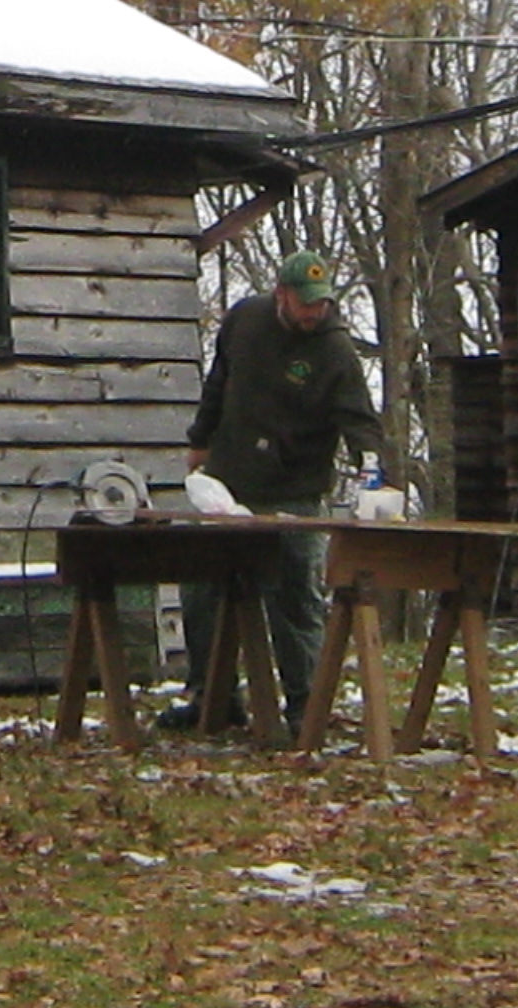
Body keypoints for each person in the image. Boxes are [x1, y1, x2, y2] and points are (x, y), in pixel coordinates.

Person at [159, 247, 383, 734]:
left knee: (295, 592)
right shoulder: (245, 320)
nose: (314, 313)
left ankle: (306, 704)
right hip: (229, 478)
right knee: (202, 586)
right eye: (305, 303)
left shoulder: (335, 351)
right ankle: (211, 696)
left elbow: (361, 422)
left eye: (321, 304)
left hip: (294, 487)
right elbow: (218, 381)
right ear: (281, 294)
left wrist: (376, 474)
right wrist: (200, 440)